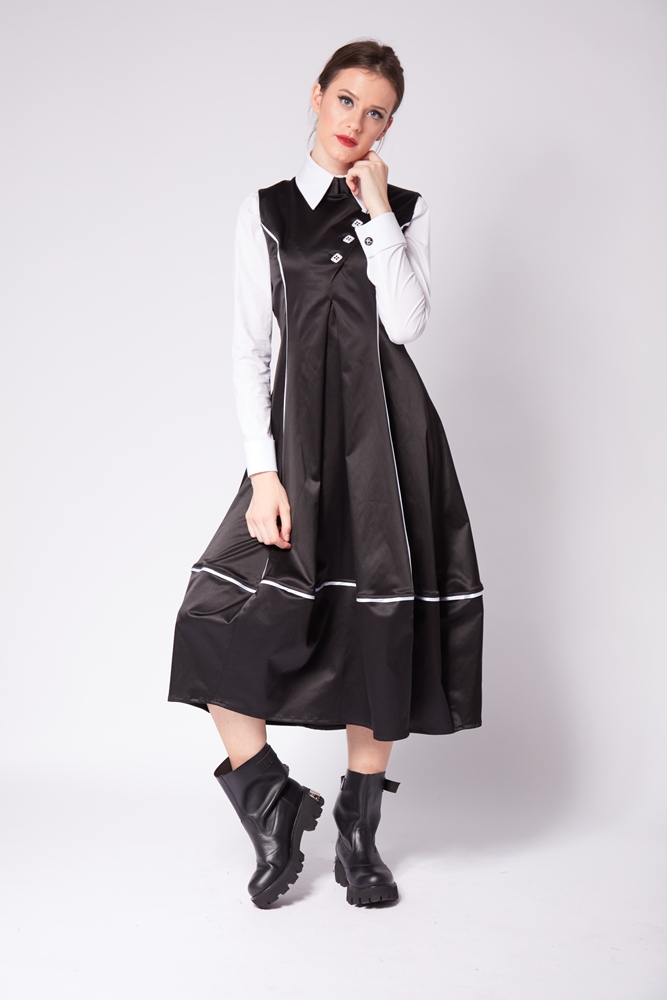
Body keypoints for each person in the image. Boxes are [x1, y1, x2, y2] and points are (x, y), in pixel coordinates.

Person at [168, 39, 484, 909]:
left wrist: (377, 211)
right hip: (296, 450)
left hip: (388, 445)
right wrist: (262, 474)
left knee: (375, 629)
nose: (357, 122)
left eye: (377, 112)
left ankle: (358, 832)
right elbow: (249, 348)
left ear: (389, 126)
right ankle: (271, 799)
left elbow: (407, 323)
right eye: (346, 101)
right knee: (209, 616)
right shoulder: (264, 211)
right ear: (316, 97)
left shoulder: (405, 209)